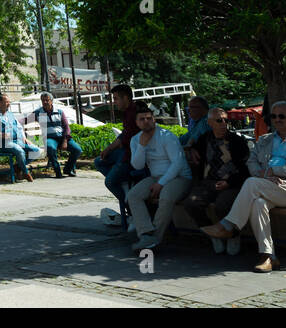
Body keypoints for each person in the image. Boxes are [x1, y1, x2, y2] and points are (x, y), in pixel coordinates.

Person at [203, 101, 286, 272]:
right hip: (265, 186)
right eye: (273, 116)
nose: (277, 120)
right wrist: (265, 175)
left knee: (251, 183)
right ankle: (268, 256)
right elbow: (252, 162)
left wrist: (275, 171)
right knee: (258, 203)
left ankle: (228, 225)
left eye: (282, 116)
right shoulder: (265, 139)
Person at [182, 107, 249, 254]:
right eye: (219, 120)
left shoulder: (237, 141)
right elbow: (190, 147)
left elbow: (245, 169)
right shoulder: (204, 139)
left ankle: (232, 235)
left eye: (226, 120)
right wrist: (191, 149)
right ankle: (211, 233)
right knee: (190, 203)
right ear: (210, 123)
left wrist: (229, 182)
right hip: (208, 183)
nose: (224, 123)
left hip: (232, 184)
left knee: (222, 205)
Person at [125, 104, 190, 251]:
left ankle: (156, 238)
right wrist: (142, 146)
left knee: (166, 196)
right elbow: (138, 166)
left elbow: (177, 163)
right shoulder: (136, 140)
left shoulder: (167, 136)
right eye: (142, 119)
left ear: (154, 119)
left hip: (180, 177)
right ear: (137, 123)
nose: (146, 121)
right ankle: (146, 233)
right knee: (133, 196)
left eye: (149, 118)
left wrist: (161, 183)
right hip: (156, 178)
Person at [93, 84, 140, 206]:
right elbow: (123, 135)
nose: (114, 102)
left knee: (110, 182)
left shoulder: (136, 113)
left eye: (116, 98)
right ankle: (123, 183)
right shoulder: (127, 112)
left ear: (126, 98)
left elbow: (125, 138)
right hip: (124, 150)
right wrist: (108, 149)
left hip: (132, 154)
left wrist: (110, 148)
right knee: (99, 161)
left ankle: (131, 206)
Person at [0, 92, 41, 182]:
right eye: (7, 102)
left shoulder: (10, 114)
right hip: (5, 143)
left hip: (18, 140)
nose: (9, 104)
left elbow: (19, 127)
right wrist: (2, 135)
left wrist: (24, 137)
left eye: (9, 102)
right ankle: (25, 172)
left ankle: (17, 167)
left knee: (36, 151)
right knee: (20, 151)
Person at [32, 92, 81, 178]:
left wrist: (65, 141)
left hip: (62, 137)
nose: (45, 102)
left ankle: (68, 169)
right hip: (49, 138)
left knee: (77, 149)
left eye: (47, 100)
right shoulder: (38, 113)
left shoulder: (59, 112)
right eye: (43, 100)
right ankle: (57, 171)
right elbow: (25, 120)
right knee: (50, 147)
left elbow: (66, 127)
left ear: (51, 101)